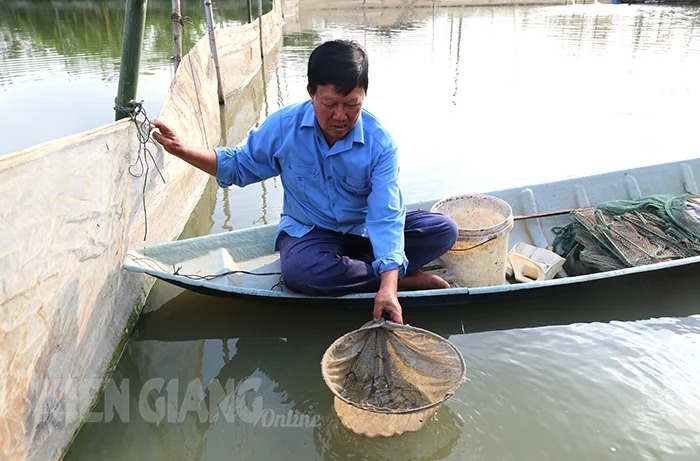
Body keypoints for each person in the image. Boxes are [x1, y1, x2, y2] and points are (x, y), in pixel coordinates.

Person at [152, 39, 457, 324]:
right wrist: (181, 150)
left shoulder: (380, 144)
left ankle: (376, 273)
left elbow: (385, 215)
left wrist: (386, 287)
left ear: (364, 94)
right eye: (329, 104)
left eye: (352, 105)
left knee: (443, 229)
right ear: (311, 92)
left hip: (363, 231)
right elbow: (239, 166)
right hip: (311, 231)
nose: (340, 116)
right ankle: (399, 278)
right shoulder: (285, 127)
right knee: (301, 273)